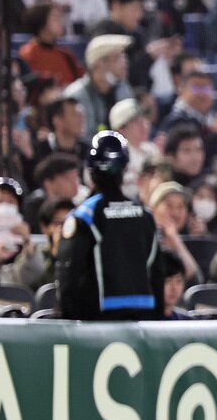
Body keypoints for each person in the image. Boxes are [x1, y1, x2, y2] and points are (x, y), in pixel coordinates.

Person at [55, 132, 165, 320]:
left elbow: (69, 272)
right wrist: (156, 317)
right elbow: (156, 271)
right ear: (125, 168)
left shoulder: (84, 215)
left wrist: (69, 317)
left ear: (90, 170)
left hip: (97, 318)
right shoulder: (144, 214)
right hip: (144, 315)